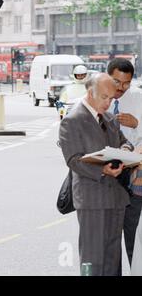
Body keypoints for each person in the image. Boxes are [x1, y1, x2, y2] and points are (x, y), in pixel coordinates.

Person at [59, 73, 134, 276]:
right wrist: (102, 169)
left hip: (116, 198)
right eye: (104, 97)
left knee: (112, 257)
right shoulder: (72, 120)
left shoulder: (109, 118)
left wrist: (126, 151)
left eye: (111, 98)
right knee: (92, 258)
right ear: (90, 93)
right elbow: (73, 159)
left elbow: (124, 141)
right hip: (91, 198)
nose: (108, 103)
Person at [106, 58, 142, 266]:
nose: (121, 88)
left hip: (132, 177)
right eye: (116, 82)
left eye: (126, 83)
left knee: (133, 236)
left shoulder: (138, 97)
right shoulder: (99, 97)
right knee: (108, 241)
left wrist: (137, 124)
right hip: (105, 175)